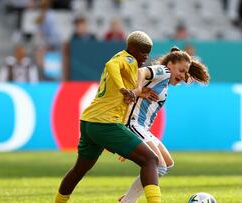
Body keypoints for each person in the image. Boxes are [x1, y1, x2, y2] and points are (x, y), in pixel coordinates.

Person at [55, 31, 163, 203]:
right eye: (143, 51)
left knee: (80, 169)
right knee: (151, 160)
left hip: (90, 121)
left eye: (148, 52)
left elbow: (122, 90)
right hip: (105, 124)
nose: (146, 56)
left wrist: (137, 92)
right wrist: (121, 88)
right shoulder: (127, 59)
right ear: (132, 48)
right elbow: (111, 65)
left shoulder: (127, 60)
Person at [119, 47, 210, 203]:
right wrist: (139, 90)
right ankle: (128, 201)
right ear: (170, 64)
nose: (182, 76)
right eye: (181, 71)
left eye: (185, 73)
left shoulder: (165, 80)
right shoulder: (163, 71)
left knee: (167, 164)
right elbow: (141, 72)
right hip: (134, 125)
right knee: (157, 165)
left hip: (141, 129)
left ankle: (127, 199)